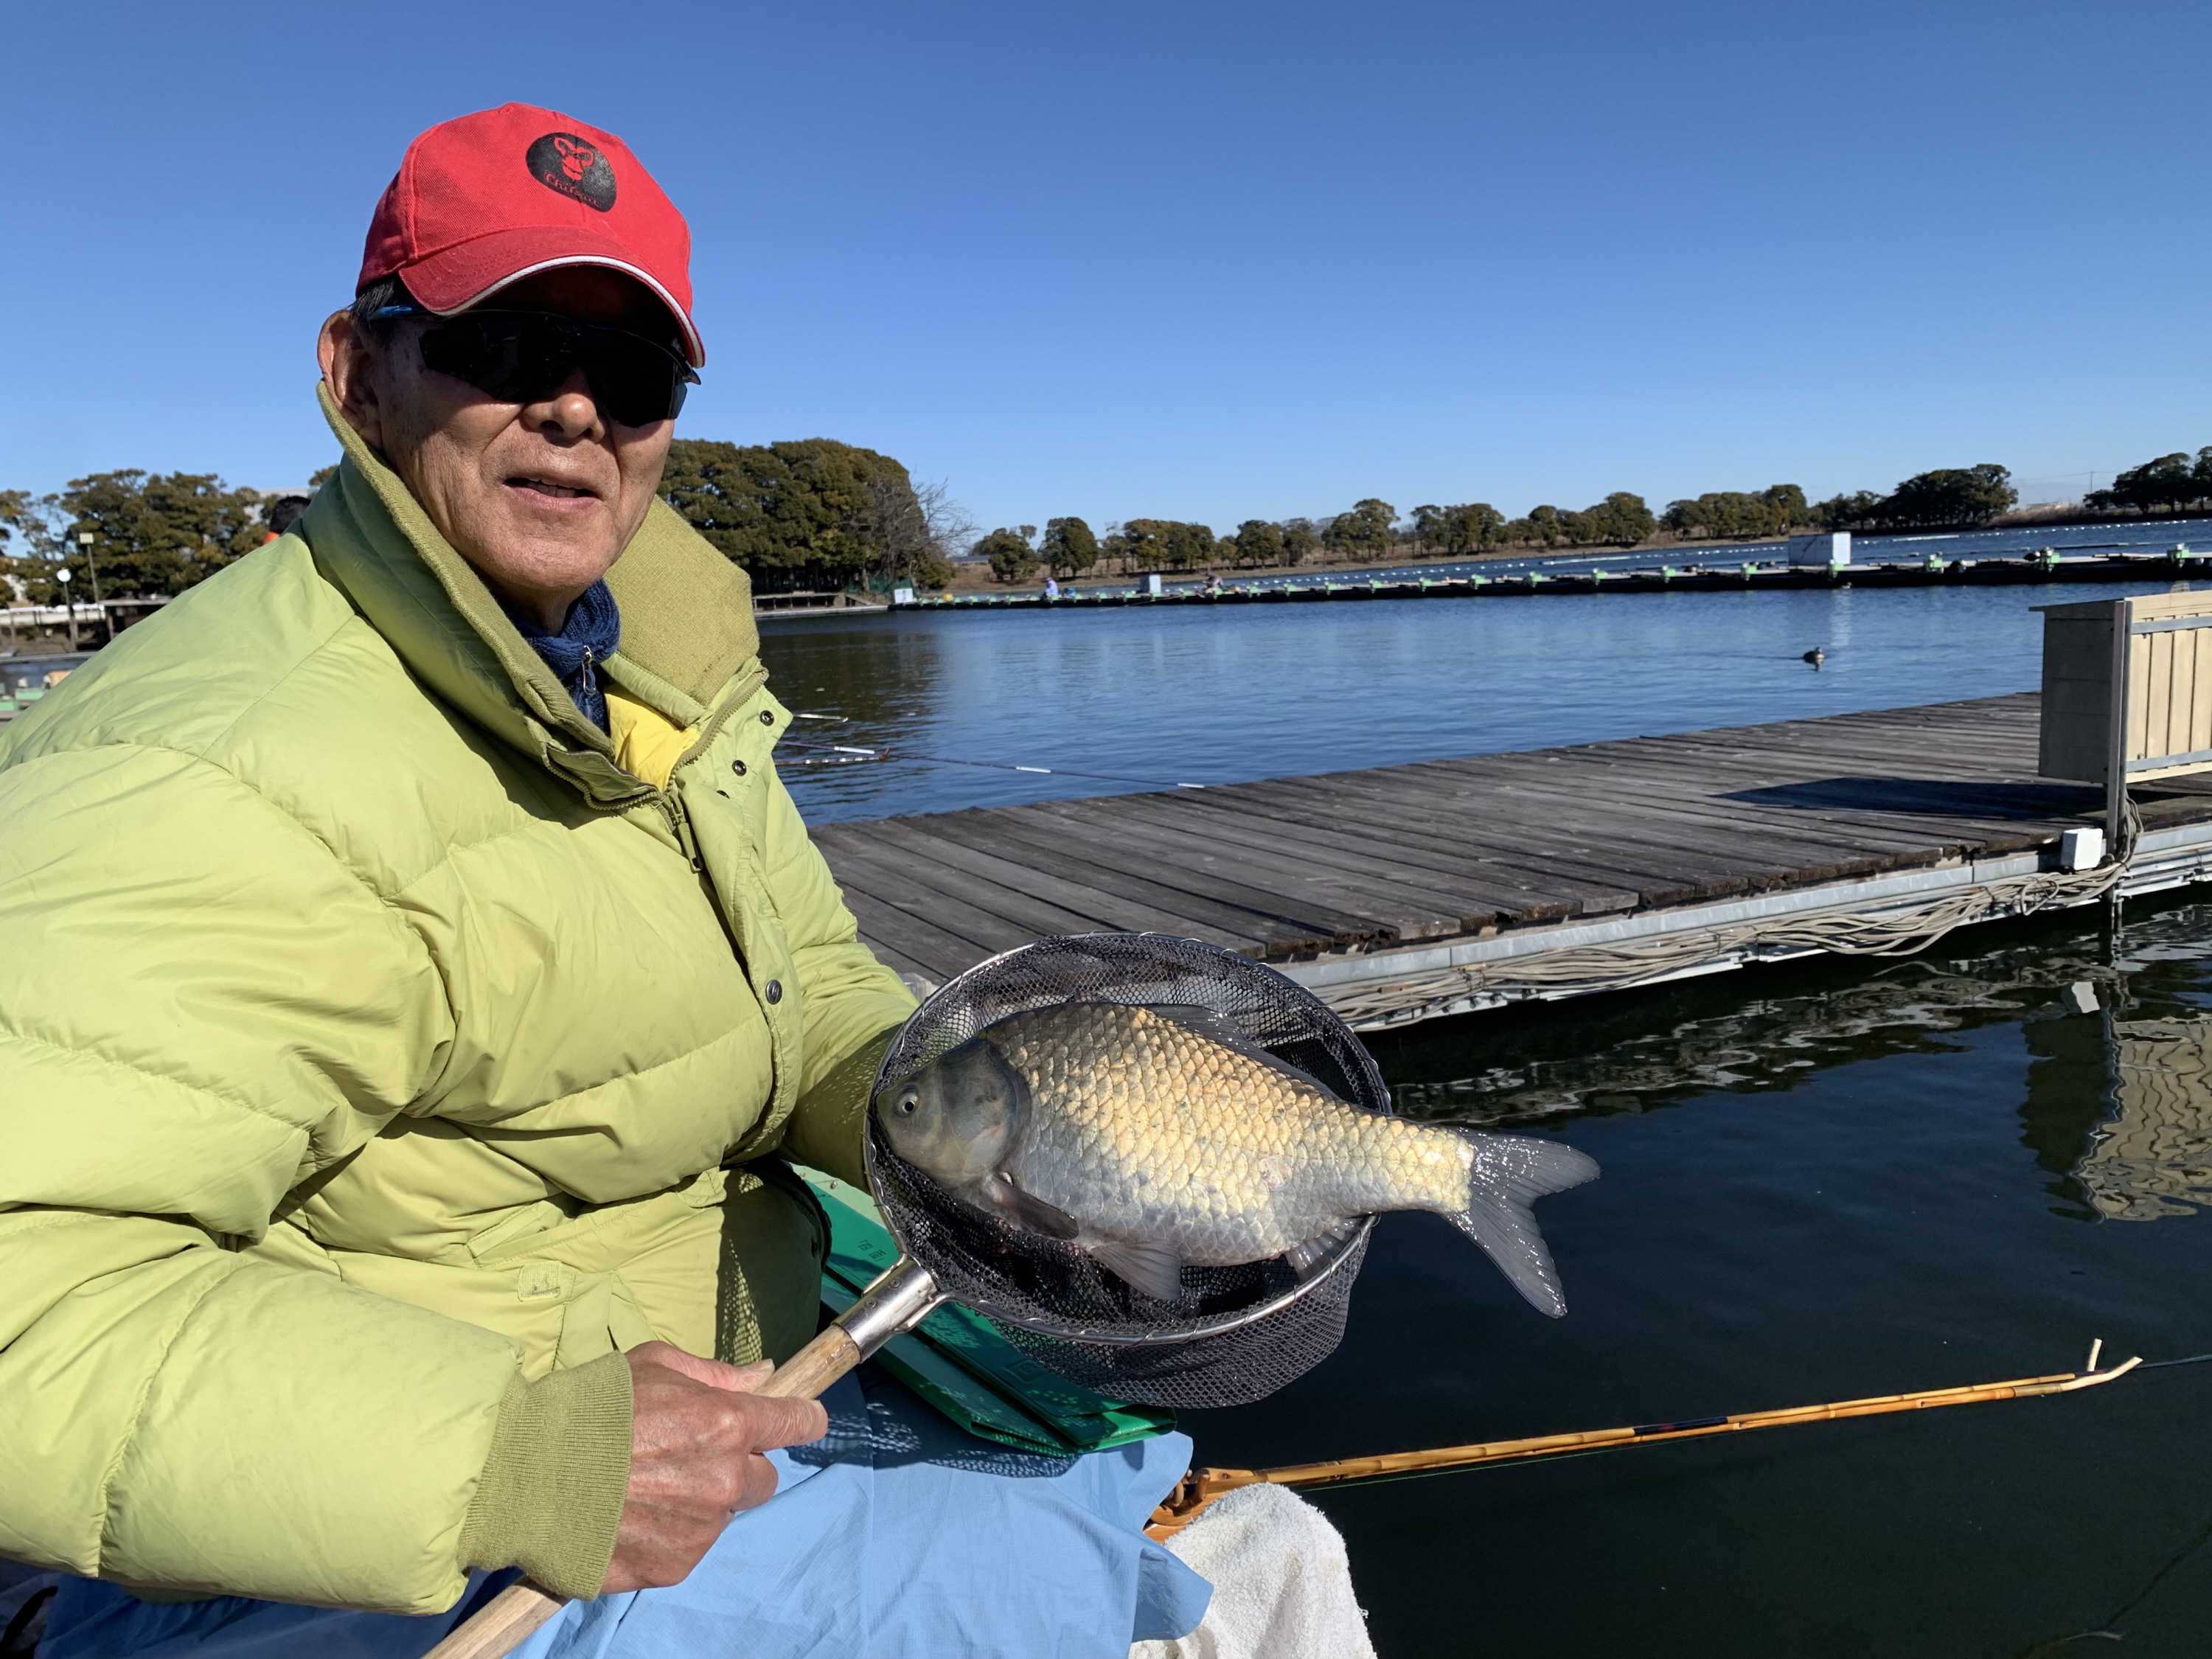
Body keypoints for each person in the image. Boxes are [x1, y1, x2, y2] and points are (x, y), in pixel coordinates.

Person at [0, 104, 1203, 1659]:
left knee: (1126, 1531)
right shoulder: (205, 770)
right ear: (357, 376)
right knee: (1132, 1578)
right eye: (507, 342)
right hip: (361, 1555)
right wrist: (510, 1459)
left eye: (629, 375)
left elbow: (806, 989)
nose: (574, 410)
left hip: (714, 1424)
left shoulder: (651, 684)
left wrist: (962, 1116)